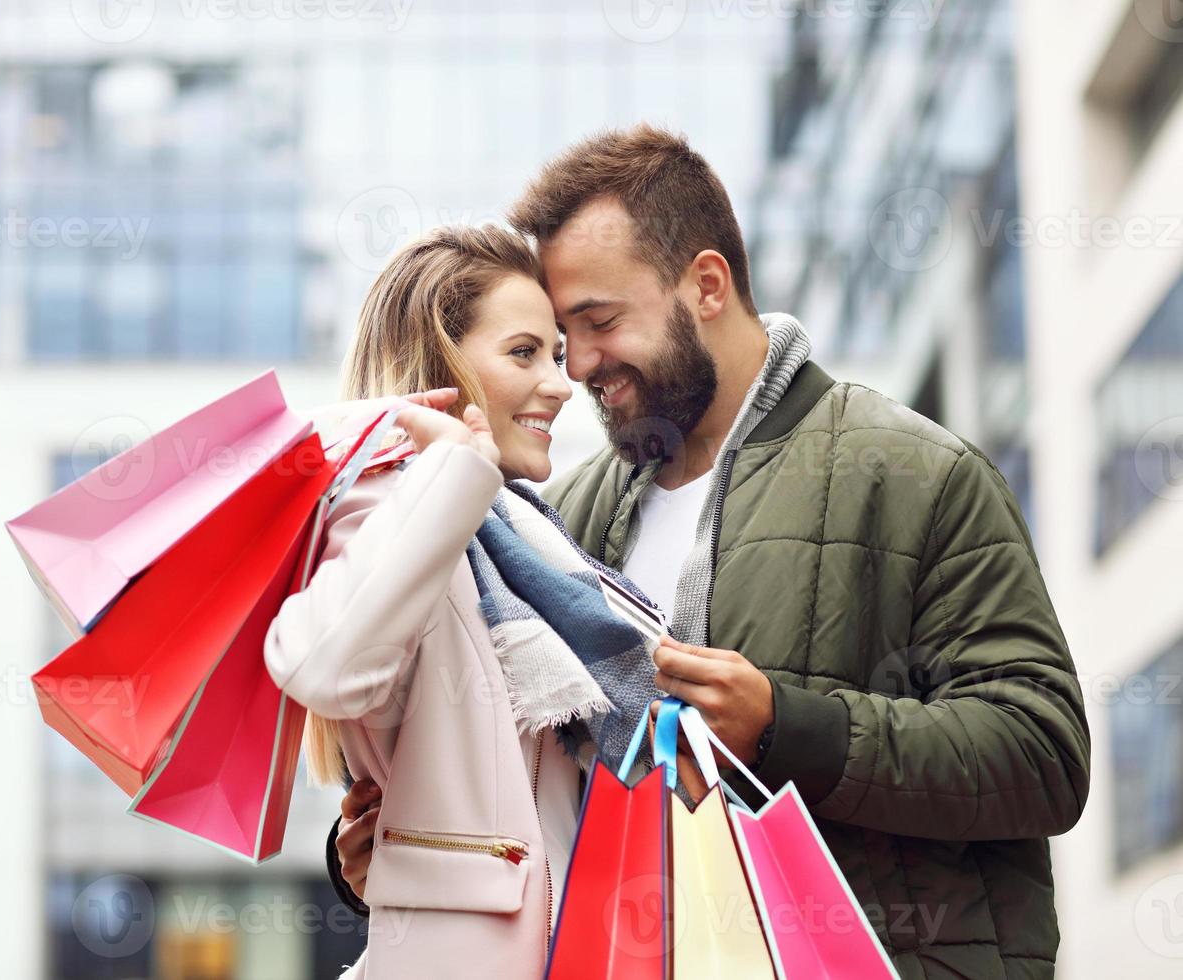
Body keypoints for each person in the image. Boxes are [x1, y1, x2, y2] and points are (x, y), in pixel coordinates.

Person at [332, 125, 1091, 979]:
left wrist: (784, 725)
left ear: (706, 285)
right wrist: (403, 850)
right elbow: (525, 789)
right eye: (557, 335)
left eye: (600, 321)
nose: (578, 364)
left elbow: (1044, 755)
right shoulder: (564, 520)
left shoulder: (917, 474)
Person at [266, 225, 662, 979]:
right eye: (524, 353)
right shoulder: (395, 505)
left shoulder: (522, 540)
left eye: (554, 353)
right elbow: (319, 665)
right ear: (442, 363)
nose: (558, 381)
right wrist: (454, 472)